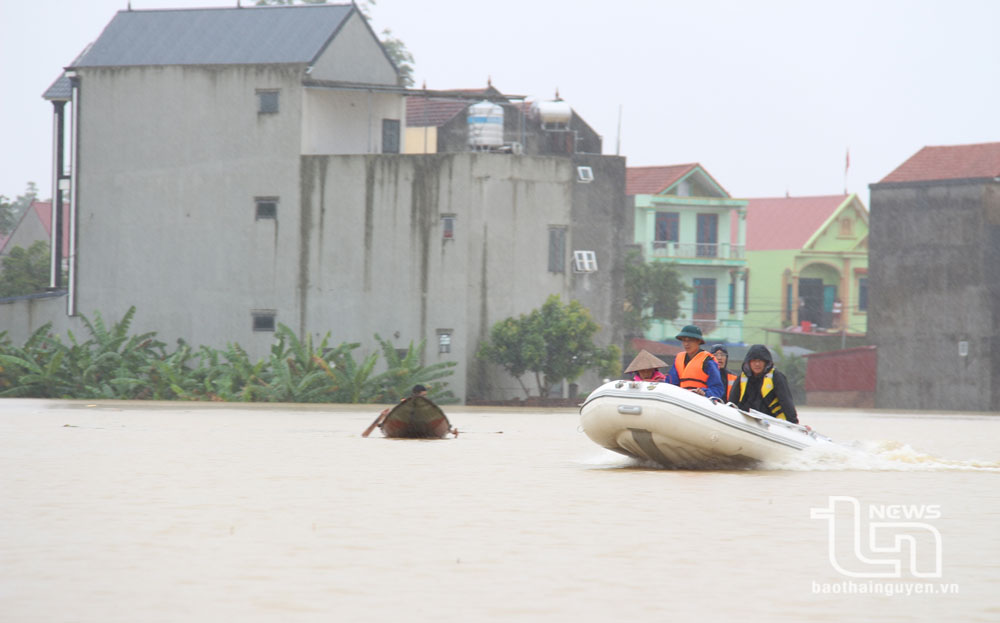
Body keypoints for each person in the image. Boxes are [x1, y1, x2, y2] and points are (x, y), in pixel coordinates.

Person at [728, 344, 799, 424]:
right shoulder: (742, 378)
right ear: (749, 362)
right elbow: (732, 401)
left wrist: (794, 423)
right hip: (746, 421)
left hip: (772, 422)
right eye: (754, 360)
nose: (757, 364)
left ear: (766, 362)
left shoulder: (776, 377)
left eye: (760, 361)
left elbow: (786, 402)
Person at [665, 325, 725, 400]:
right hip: (681, 401)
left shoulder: (708, 361)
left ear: (698, 341)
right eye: (684, 340)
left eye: (690, 340)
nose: (686, 344)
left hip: (700, 402)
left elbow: (717, 389)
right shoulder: (679, 359)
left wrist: (705, 393)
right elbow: (671, 383)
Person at [362, 384, 438, 437]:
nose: (424, 398)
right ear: (415, 395)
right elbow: (364, 435)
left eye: (425, 396)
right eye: (423, 396)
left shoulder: (426, 406)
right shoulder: (405, 404)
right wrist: (382, 416)